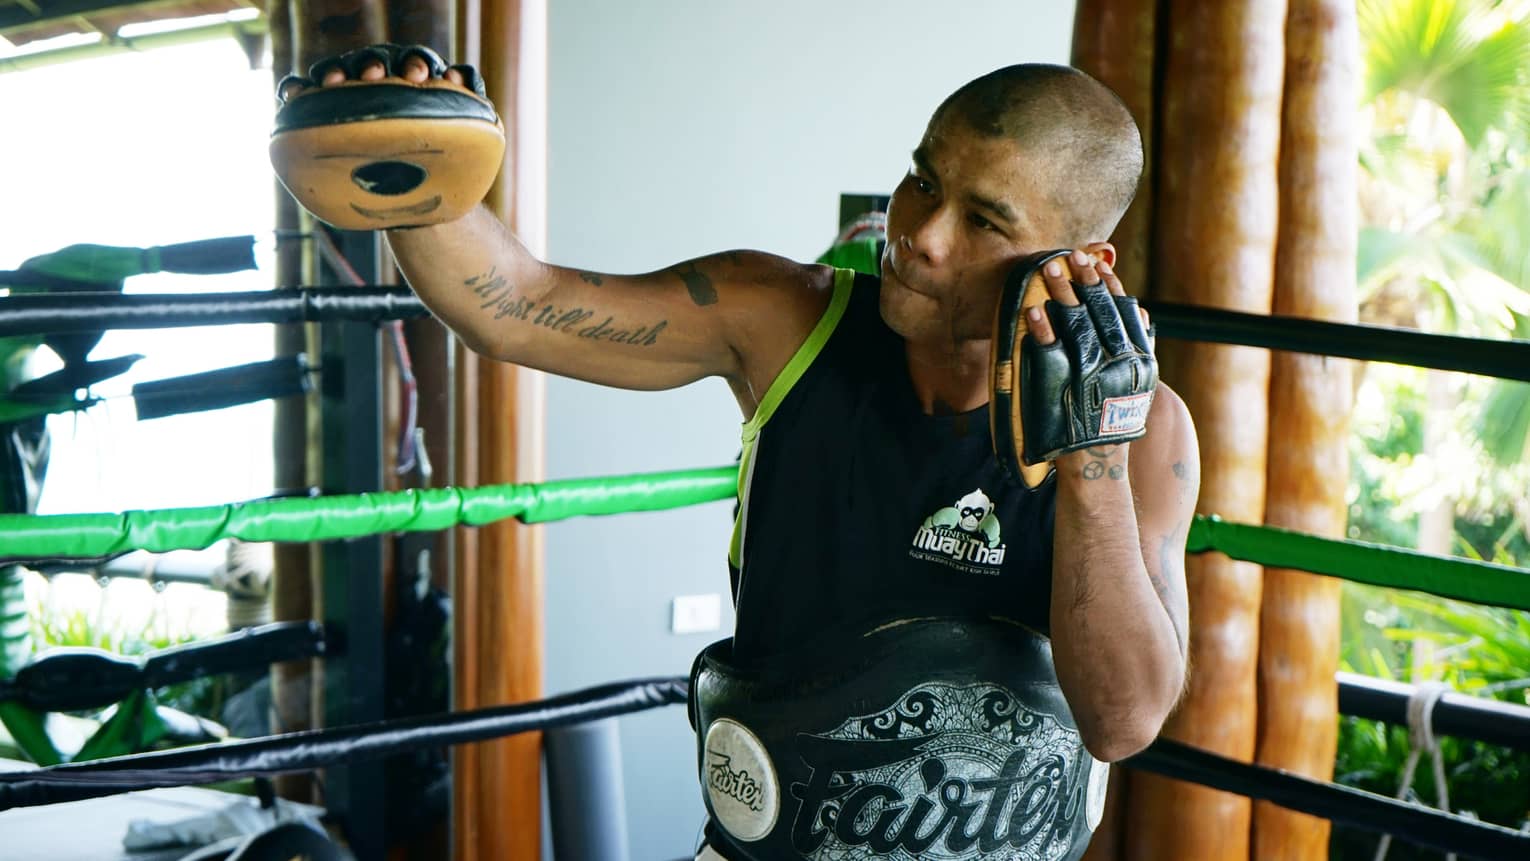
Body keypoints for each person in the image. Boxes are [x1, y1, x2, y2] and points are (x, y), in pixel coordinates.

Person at [283, 49, 1198, 861]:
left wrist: (1094, 458)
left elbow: (1121, 719)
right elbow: (516, 305)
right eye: (923, 179)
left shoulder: (1147, 432)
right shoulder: (783, 317)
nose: (918, 233)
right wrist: (408, 165)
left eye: (984, 221)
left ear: (1082, 261)